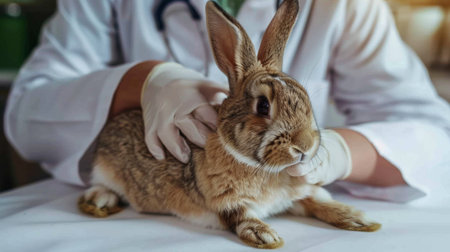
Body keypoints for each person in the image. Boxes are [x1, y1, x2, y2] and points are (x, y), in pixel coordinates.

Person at [4, 0, 450, 203]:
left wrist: (334, 153)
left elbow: (431, 130)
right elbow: (26, 115)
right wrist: (142, 79)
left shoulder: (343, 6)